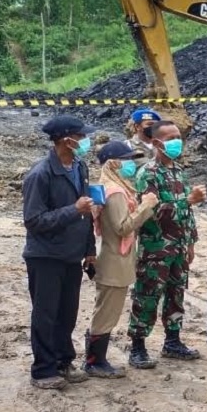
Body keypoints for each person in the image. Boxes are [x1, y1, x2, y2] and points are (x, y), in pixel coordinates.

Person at [22, 115, 96, 390]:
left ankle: (64, 361)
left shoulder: (80, 166)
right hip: (45, 256)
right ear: (66, 140)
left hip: (71, 254)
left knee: (67, 313)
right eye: (81, 136)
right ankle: (42, 369)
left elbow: (87, 213)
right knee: (46, 314)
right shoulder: (41, 174)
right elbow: (33, 221)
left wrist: (90, 250)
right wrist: (72, 210)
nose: (85, 141)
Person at [127, 120, 207, 368]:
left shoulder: (177, 170)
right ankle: (137, 346)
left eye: (179, 136)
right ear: (157, 142)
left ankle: (173, 341)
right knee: (147, 295)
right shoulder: (148, 174)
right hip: (156, 247)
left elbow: (187, 214)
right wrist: (188, 201)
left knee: (176, 293)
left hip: (178, 246)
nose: (177, 142)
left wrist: (191, 241)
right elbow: (150, 211)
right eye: (171, 138)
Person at [83, 141, 158, 378]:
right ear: (113, 163)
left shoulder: (115, 186)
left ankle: (96, 359)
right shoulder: (114, 192)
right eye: (125, 159)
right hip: (115, 260)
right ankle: (95, 362)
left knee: (106, 311)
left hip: (115, 258)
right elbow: (122, 227)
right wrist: (146, 207)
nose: (130, 164)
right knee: (106, 314)